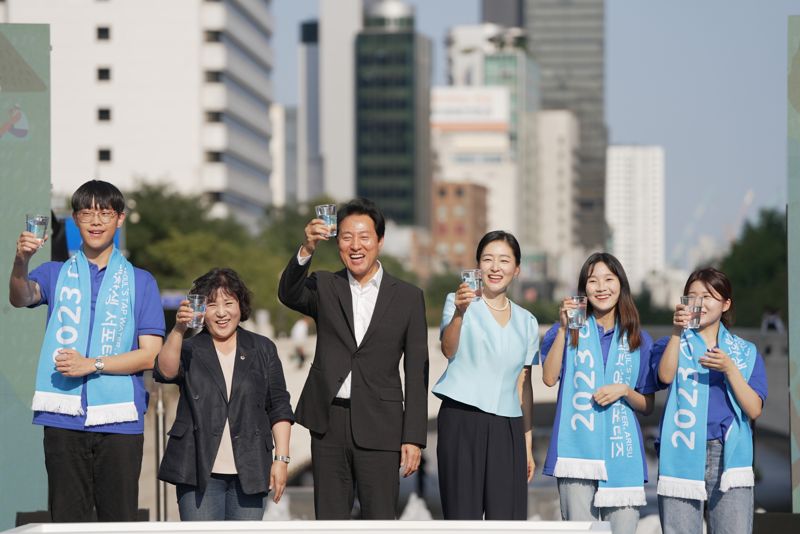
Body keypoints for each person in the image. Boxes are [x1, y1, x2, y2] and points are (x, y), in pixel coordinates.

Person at [9, 179, 165, 522]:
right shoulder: (55, 273)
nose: (95, 221)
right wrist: (21, 260)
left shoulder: (141, 281)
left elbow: (149, 355)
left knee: (119, 521)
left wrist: (91, 364)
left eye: (105, 213)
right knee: (66, 521)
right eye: (86, 213)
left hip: (120, 419)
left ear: (120, 219)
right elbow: (20, 297)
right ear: (75, 220)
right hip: (62, 416)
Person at [278, 198, 429, 519]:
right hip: (328, 421)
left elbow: (417, 371)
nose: (355, 245)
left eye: (364, 237)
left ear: (380, 241)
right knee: (330, 519)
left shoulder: (408, 297)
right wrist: (306, 248)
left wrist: (413, 437)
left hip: (382, 424)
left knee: (379, 519)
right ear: (338, 241)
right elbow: (288, 293)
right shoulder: (324, 285)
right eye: (347, 237)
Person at [154, 268, 293, 520]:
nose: (221, 313)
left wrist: (281, 459)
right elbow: (165, 371)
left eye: (229, 303)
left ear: (241, 306)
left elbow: (279, 406)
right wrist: (177, 330)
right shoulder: (189, 348)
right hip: (196, 468)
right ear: (200, 310)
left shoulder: (262, 349)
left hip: (250, 468)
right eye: (211, 305)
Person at [540, 252, 656, 534]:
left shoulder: (638, 338)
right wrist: (564, 330)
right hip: (575, 451)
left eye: (609, 279)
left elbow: (647, 405)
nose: (601, 287)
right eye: (593, 281)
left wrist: (625, 391)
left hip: (620, 451)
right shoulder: (566, 331)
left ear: (621, 285)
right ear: (584, 288)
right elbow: (548, 377)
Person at [654, 267, 767, 534]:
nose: (700, 302)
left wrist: (729, 369)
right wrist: (676, 331)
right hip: (681, 447)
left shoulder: (744, 352)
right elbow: (665, 376)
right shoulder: (672, 341)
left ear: (726, 303)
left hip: (728, 453)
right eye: (692, 296)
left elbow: (754, 409)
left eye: (708, 295)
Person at [434, 231, 538, 519]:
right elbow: (448, 349)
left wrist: (527, 446)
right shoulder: (458, 302)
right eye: (488, 259)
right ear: (478, 265)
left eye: (504, 260)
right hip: (462, 420)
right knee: (462, 516)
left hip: (508, 428)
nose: (495, 267)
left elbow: (523, 386)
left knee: (508, 517)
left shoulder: (527, 321)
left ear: (516, 269)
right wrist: (459, 313)